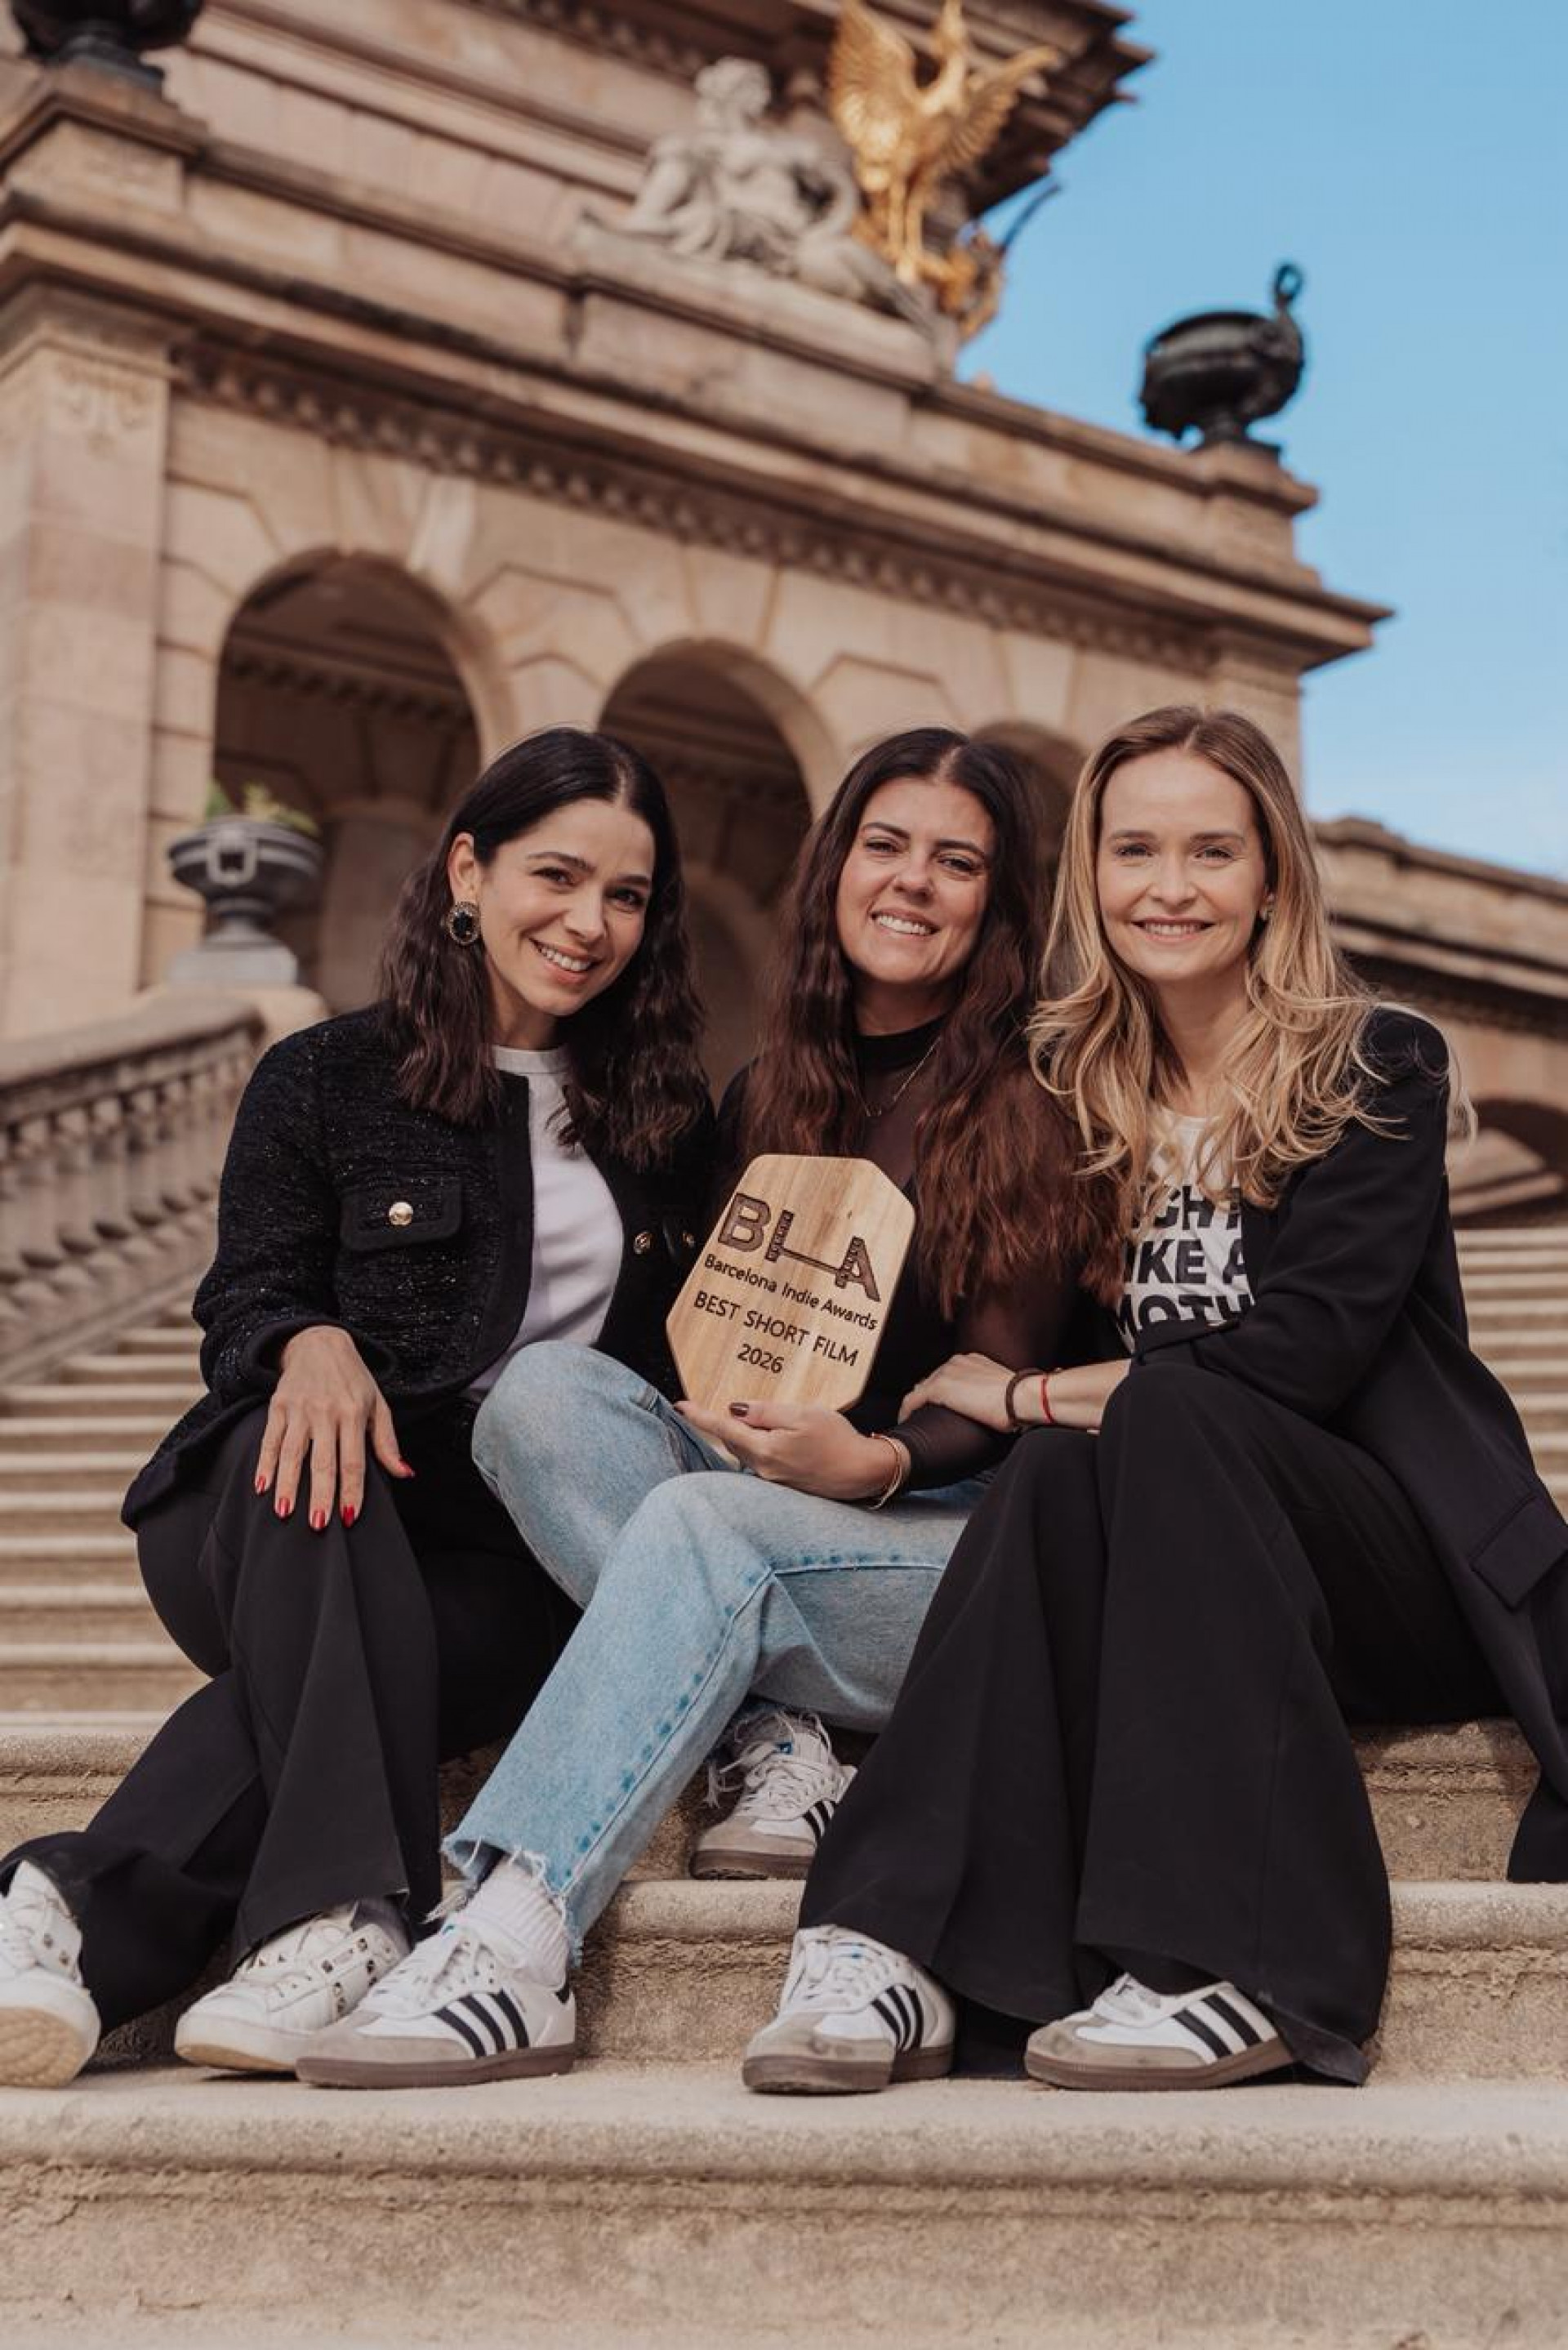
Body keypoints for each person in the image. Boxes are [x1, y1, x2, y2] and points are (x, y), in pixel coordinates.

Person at [742, 702, 1568, 2097]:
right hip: (1180, 1575)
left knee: (1151, 1417)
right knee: (1065, 1471)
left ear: (1270, 878)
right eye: (1135, 850)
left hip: (1389, 1560)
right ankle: (888, 1941)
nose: (1169, 888)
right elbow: (975, 1348)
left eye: (1210, 851)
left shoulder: (1379, 1062)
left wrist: (1034, 1390)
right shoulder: (1071, 1087)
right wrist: (887, 1439)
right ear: (1092, 873)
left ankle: (1237, 1962)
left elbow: (1302, 1355)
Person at [290, 725, 1085, 2088]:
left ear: (997, 905)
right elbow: (692, 1352)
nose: (914, 882)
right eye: (886, 846)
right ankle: (768, 1729)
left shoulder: (1034, 1099)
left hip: (949, 1550)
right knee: (540, 1397)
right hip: (763, 1519)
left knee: (710, 1532)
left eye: (958, 862)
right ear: (835, 868)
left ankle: (515, 1932)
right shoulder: (768, 1091)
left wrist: (877, 1458)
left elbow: (985, 1395)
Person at [0, 728, 710, 2089]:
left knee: (357, 1653)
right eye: (557, 875)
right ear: (468, 867)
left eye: (627, 895)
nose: (589, 922)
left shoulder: (668, 1129)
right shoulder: (324, 1077)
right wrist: (305, 1337)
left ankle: (69, 1920)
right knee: (319, 1461)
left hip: (500, 1564)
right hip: (272, 1511)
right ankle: (348, 1913)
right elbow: (245, 1291)